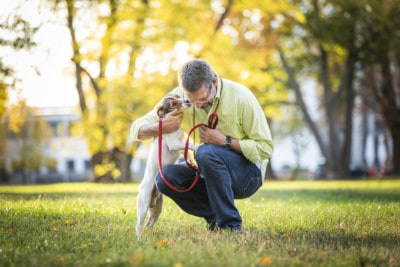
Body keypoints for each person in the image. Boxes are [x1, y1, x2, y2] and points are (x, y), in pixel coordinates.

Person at [129, 58, 273, 233]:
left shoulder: (241, 97)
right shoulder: (178, 98)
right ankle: (215, 218)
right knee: (165, 179)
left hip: (247, 175)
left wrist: (226, 141)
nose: (197, 104)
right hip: (207, 171)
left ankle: (230, 225)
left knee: (206, 152)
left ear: (213, 82)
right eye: (191, 100)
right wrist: (161, 126)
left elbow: (265, 149)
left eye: (203, 98)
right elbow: (136, 129)